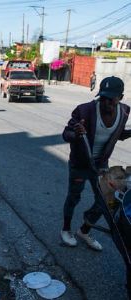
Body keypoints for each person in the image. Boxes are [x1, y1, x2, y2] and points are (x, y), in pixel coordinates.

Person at [61, 76, 131, 251]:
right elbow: (66, 134)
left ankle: (84, 230)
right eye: (103, 97)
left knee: (105, 200)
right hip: (80, 164)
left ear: (120, 98)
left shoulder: (123, 112)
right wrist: (76, 133)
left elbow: (118, 134)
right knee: (73, 197)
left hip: (101, 165)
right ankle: (66, 229)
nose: (106, 102)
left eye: (111, 99)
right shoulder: (84, 111)